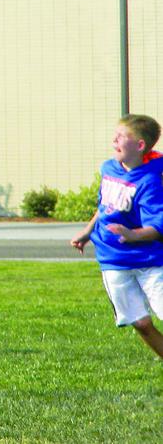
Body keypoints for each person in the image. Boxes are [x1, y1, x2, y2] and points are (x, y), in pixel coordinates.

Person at [70, 114, 163, 360]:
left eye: (120, 137)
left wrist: (133, 235)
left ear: (140, 145)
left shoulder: (151, 180)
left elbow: (158, 225)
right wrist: (88, 232)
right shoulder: (109, 169)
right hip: (114, 261)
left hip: (151, 262)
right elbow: (105, 207)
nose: (113, 141)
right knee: (141, 323)